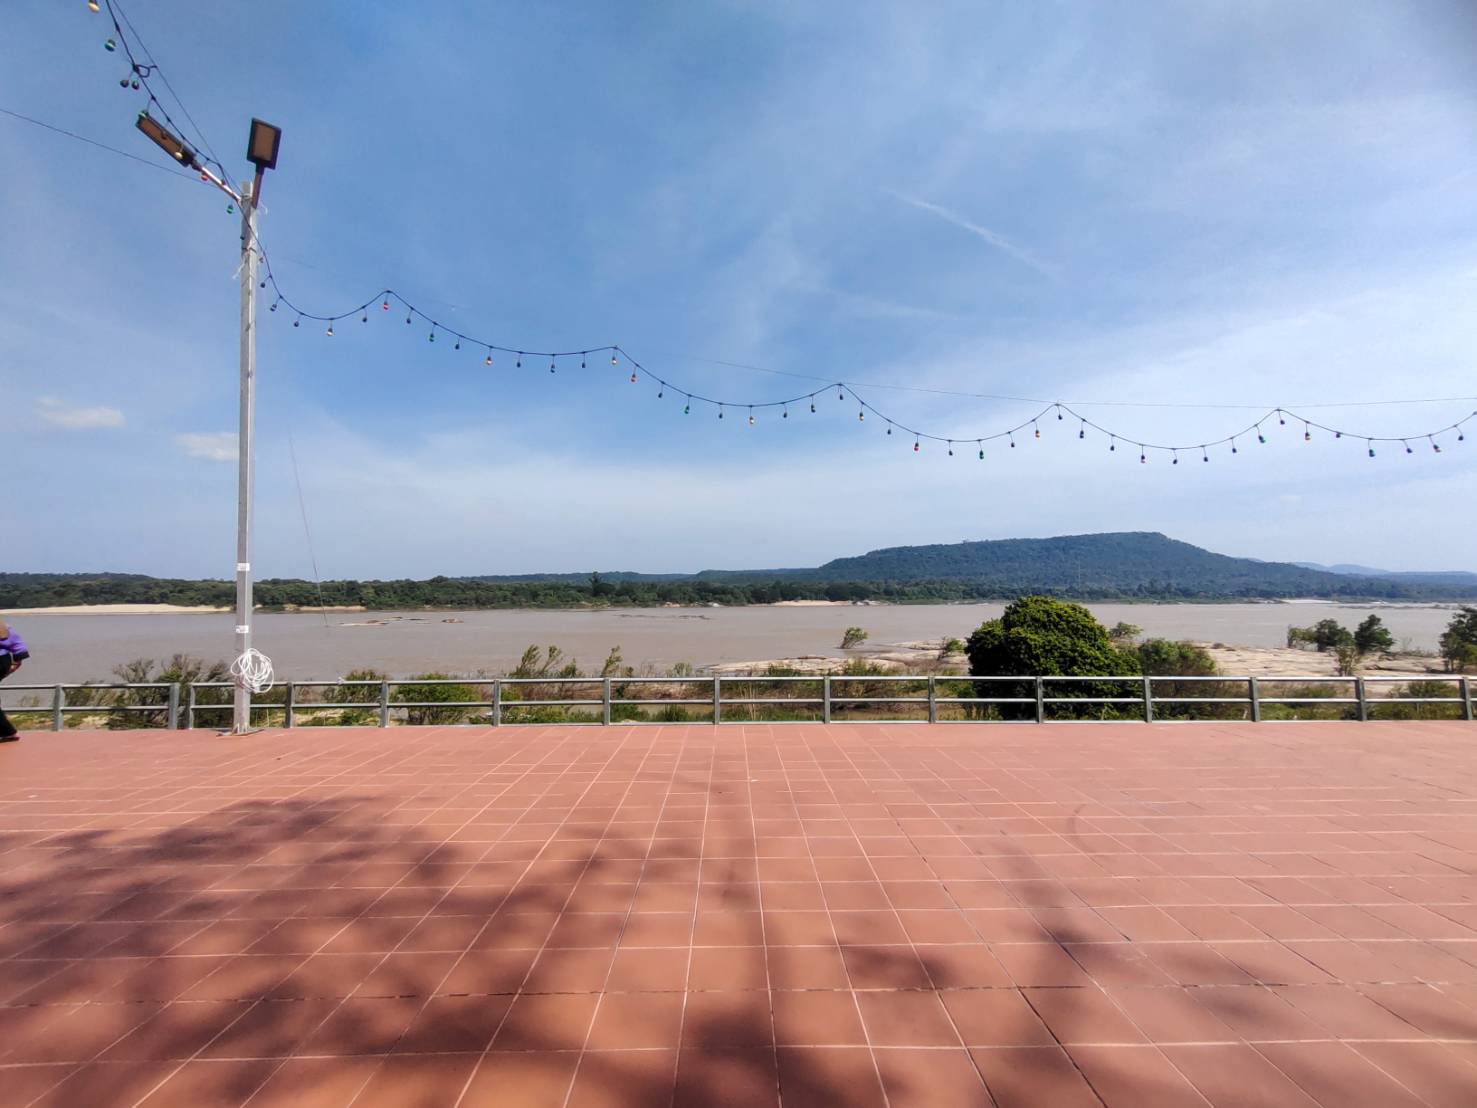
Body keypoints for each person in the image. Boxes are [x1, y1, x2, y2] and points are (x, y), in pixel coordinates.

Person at [0, 618, 29, 743]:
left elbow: (17, 644)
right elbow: (17, 643)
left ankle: (8, 731)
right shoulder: (4, 626)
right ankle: (7, 732)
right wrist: (17, 661)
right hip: (3, 660)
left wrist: (17, 661)